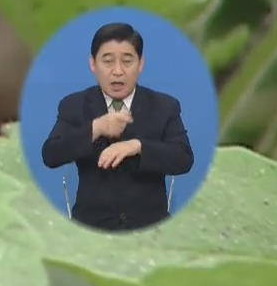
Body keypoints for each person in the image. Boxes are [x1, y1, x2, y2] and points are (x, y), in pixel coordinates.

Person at [41, 22, 194, 231]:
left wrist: (137, 146)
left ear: (140, 64)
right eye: (108, 61)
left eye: (127, 61)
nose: (118, 71)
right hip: (91, 229)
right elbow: (51, 154)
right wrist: (95, 128)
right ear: (92, 64)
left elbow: (183, 158)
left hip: (151, 230)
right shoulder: (74, 105)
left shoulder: (165, 106)